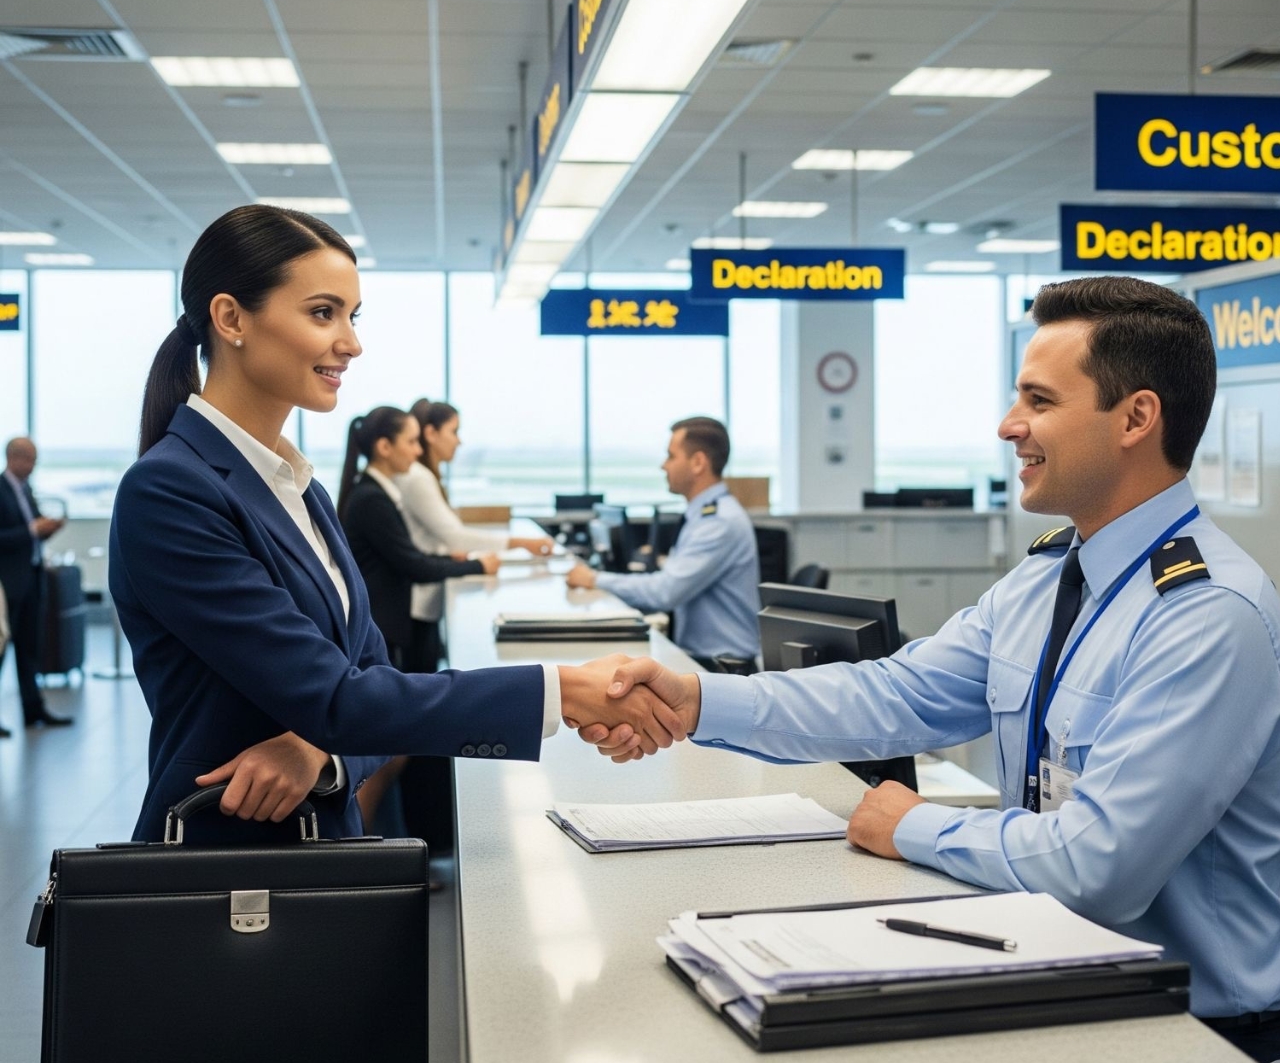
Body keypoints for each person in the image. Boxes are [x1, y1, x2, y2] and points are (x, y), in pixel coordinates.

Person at [583, 277, 1280, 1062]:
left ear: (1137, 418)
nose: (1009, 425)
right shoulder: (1047, 576)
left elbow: (1097, 866)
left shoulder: (1205, 616)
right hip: (1059, 980)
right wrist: (698, 700)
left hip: (1189, 1032)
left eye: (1040, 402)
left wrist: (912, 822)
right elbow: (898, 691)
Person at [109, 203, 684, 846]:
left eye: (352, 317)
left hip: (320, 852)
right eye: (323, 313)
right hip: (223, 867)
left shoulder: (301, 489)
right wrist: (567, 689)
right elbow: (340, 701)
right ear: (231, 317)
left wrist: (321, 755)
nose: (351, 342)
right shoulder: (170, 491)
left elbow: (366, 686)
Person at [565, 417, 761, 672]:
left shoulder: (719, 521)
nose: (663, 465)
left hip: (723, 668)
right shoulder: (703, 514)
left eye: (671, 456)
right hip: (706, 660)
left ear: (698, 462)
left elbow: (665, 593)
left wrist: (595, 579)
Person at [337, 405, 497, 670]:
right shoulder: (372, 500)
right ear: (385, 447)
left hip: (384, 622)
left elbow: (404, 554)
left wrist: (448, 558)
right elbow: (412, 565)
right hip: (381, 625)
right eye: (411, 442)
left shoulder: (374, 493)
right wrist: (477, 565)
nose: (418, 450)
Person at [397, 397, 553, 643]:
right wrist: (522, 542)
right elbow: (455, 536)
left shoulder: (426, 476)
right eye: (454, 431)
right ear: (431, 433)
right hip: (420, 599)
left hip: (427, 594)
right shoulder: (419, 478)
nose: (459, 440)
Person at [0, 437, 71, 733]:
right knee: (2, 649)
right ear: (12, 457)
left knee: (31, 648)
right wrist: (32, 529)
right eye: (29, 459)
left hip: (32, 577)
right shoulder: (0, 489)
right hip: (7, 583)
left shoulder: (25, 490)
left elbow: (32, 531)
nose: (32, 466)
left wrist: (46, 529)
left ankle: (34, 710)